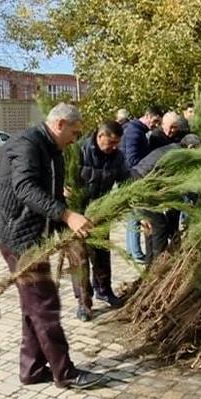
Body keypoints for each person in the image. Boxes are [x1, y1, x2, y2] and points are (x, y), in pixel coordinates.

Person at [0, 103, 103, 389]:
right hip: (17, 236)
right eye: (74, 132)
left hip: (34, 234)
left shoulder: (54, 152)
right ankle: (65, 373)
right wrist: (67, 215)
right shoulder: (26, 145)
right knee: (44, 303)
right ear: (60, 124)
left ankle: (33, 369)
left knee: (34, 304)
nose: (76, 139)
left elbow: (51, 195)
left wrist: (67, 228)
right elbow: (25, 189)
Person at [70, 121, 130, 321]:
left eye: (117, 144)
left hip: (101, 214)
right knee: (79, 259)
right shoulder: (79, 152)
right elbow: (63, 177)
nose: (114, 147)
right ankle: (84, 303)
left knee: (102, 255)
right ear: (100, 136)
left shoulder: (117, 157)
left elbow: (125, 181)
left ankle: (104, 290)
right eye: (111, 142)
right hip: (76, 215)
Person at [131, 132, 201, 263]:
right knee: (159, 224)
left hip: (141, 182)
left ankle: (151, 263)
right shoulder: (178, 155)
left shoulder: (174, 148)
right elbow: (178, 182)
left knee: (153, 225)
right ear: (191, 147)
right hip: (140, 184)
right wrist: (195, 198)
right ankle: (159, 263)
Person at [120, 106, 162, 264]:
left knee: (134, 216)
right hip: (132, 179)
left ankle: (133, 251)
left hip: (133, 178)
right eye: (155, 121)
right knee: (136, 217)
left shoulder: (139, 131)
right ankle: (136, 253)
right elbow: (131, 160)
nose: (155, 125)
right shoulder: (134, 132)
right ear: (147, 115)